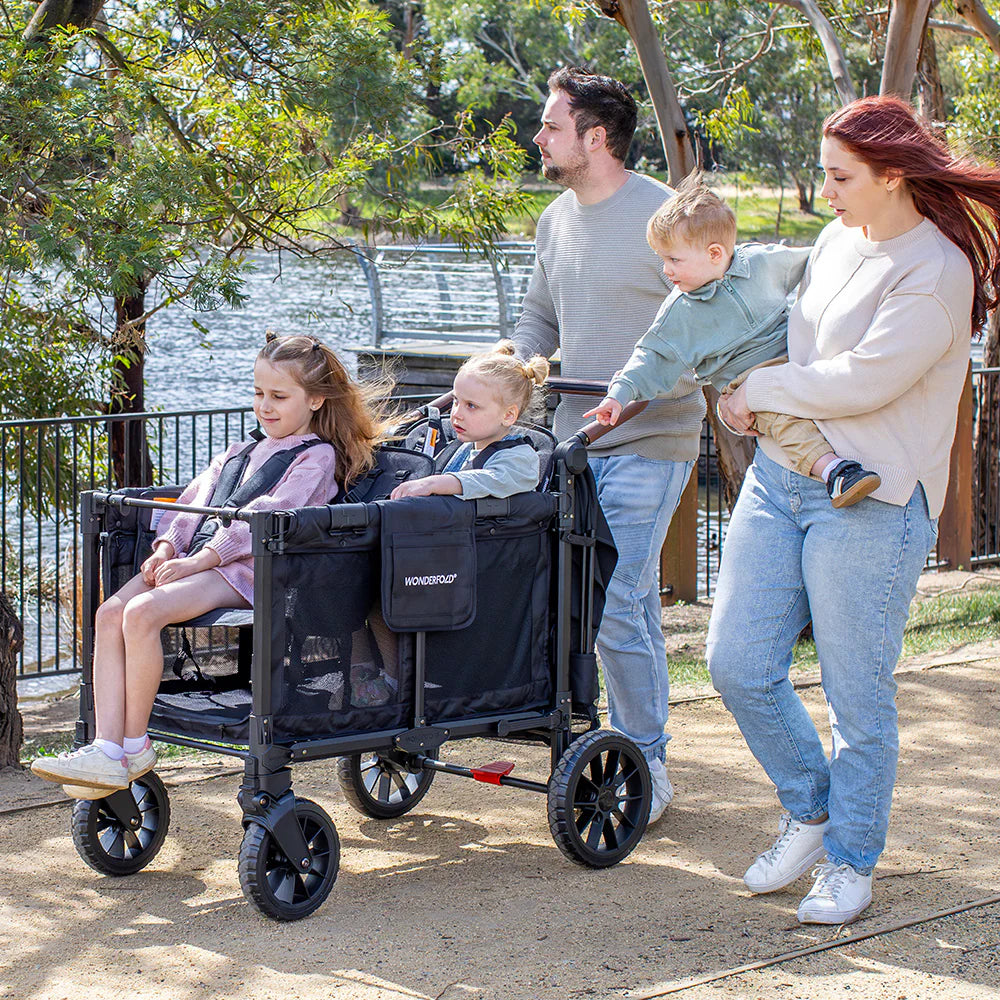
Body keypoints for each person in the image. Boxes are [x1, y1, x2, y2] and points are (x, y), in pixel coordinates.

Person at [707, 95, 1000, 924]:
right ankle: (812, 805)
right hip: (782, 477)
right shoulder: (837, 239)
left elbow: (866, 379)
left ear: (893, 176)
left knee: (857, 694)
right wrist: (749, 393)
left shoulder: (937, 270)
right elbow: (800, 347)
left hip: (873, 500)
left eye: (839, 177)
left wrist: (760, 389)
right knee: (735, 661)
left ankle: (850, 860)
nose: (824, 192)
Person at [32, 333, 387, 794]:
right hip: (201, 559)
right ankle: (107, 745)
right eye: (258, 394)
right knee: (109, 613)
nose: (265, 406)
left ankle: (134, 744)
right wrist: (165, 548)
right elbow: (191, 504)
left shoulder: (316, 458)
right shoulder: (240, 450)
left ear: (316, 399)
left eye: (279, 396)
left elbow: (268, 515)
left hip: (249, 570)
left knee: (142, 613)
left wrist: (201, 559)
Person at [514, 66, 705, 822]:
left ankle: (646, 763)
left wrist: (632, 400)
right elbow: (538, 321)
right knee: (618, 605)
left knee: (615, 601)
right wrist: (506, 366)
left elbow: (701, 331)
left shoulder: (667, 216)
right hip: (571, 444)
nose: (539, 137)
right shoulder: (554, 220)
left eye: (552, 126)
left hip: (651, 441)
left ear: (595, 138)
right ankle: (633, 741)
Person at [586, 179, 881, 508]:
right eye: (663, 259)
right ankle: (836, 472)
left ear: (714, 254)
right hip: (746, 384)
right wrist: (620, 394)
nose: (666, 270)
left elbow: (814, 261)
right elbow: (652, 356)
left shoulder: (759, 264)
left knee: (829, 382)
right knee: (785, 421)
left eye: (674, 260)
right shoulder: (682, 310)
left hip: (794, 359)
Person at [390, 341, 548, 500]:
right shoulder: (460, 447)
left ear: (508, 415)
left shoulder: (521, 461)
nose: (457, 413)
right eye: (456, 401)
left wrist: (432, 484)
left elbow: (489, 480)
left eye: (471, 406)